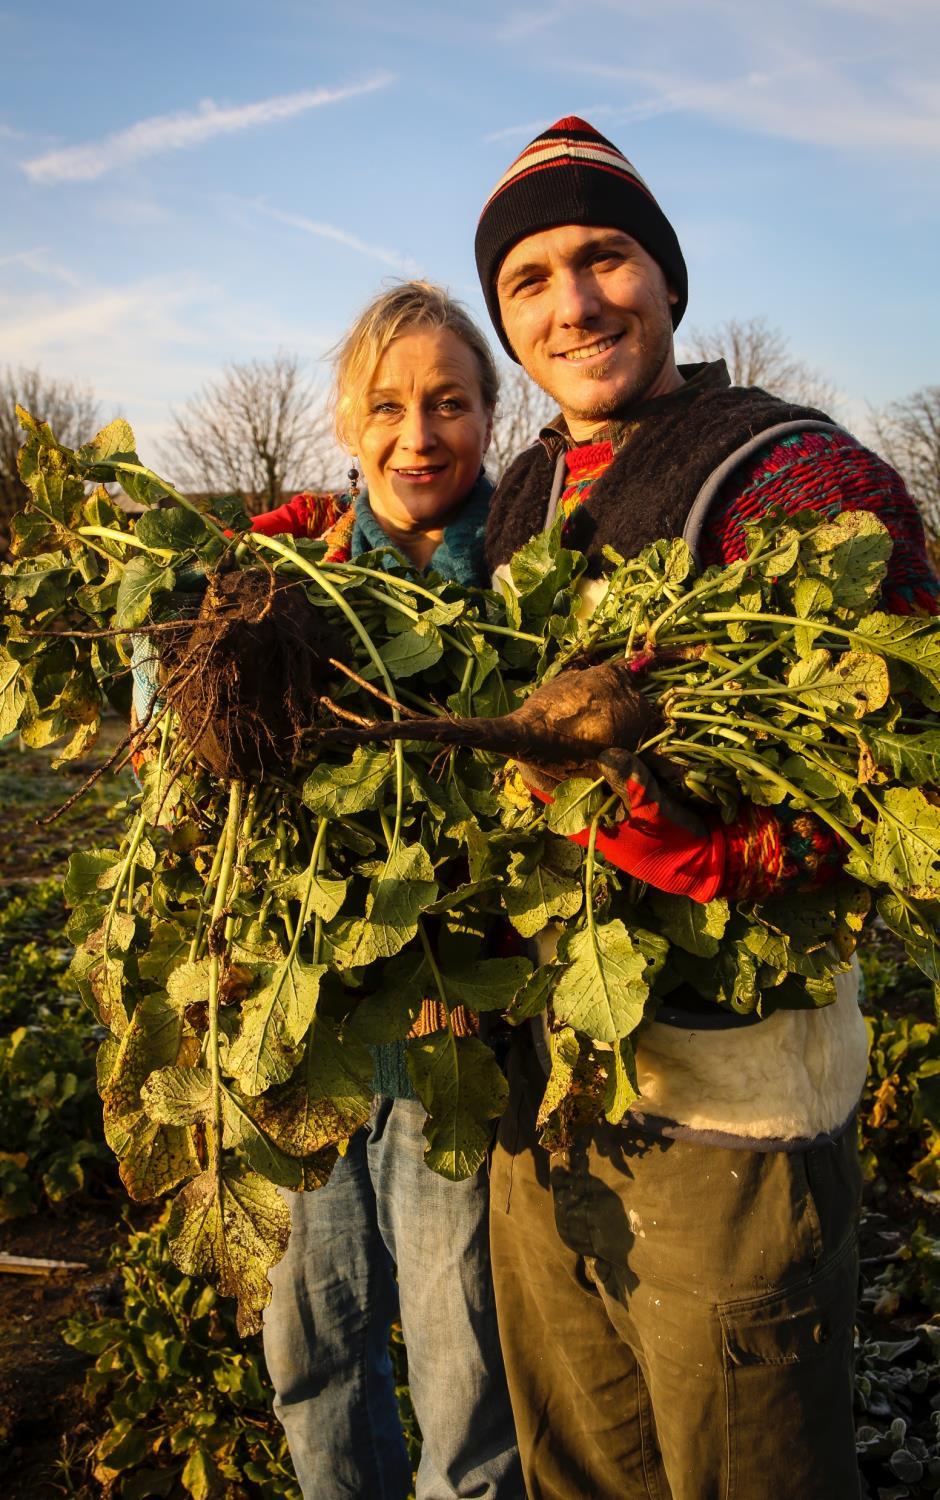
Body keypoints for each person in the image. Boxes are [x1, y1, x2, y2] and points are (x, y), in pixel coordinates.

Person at [472, 116, 939, 1500]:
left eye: (604, 257)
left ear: (667, 278)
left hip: (729, 1119)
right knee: (583, 1477)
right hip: (550, 1102)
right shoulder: (521, 496)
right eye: (530, 280)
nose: (573, 305)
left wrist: (733, 855)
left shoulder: (795, 476)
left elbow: (904, 768)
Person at [254, 282, 523, 1500]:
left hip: (445, 1025)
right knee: (312, 1353)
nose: (420, 434)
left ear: (491, 416)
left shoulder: (530, 582)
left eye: (450, 403)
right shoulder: (281, 573)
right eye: (391, 405)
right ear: (347, 424)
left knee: (466, 1366)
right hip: (301, 1028)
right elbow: (166, 708)